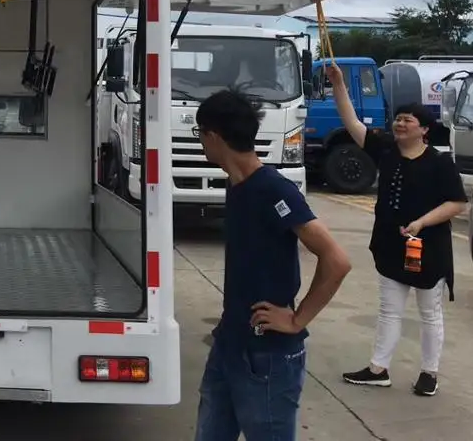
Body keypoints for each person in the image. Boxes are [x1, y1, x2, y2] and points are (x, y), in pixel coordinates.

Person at [194, 89, 352, 441]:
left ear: (213, 137)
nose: (201, 142)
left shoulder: (273, 189)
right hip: (230, 345)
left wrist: (297, 319)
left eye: (199, 133)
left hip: (266, 358)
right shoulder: (237, 186)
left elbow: (337, 260)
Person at [325, 61, 468, 396]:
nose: (401, 123)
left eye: (409, 120)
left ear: (424, 130)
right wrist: (339, 86)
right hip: (390, 244)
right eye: (399, 118)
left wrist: (421, 222)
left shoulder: (439, 162)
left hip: (428, 248)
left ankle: (429, 373)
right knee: (389, 309)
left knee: (429, 313)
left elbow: (457, 203)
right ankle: (378, 368)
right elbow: (352, 122)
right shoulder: (387, 149)